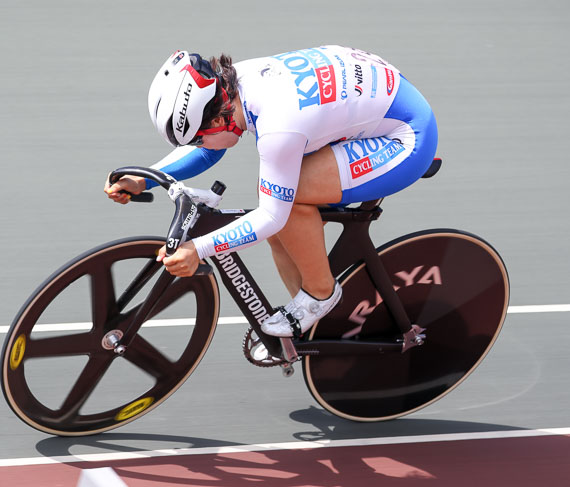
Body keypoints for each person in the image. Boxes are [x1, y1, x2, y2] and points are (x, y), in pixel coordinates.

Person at [104, 45, 438, 338]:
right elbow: (211, 147)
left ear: (217, 119)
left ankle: (321, 294)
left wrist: (197, 248)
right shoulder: (238, 82)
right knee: (284, 222)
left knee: (287, 203)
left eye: (196, 137)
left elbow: (271, 217)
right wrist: (144, 179)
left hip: (406, 138)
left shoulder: (278, 127)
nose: (198, 145)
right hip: (374, 103)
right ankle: (321, 328)